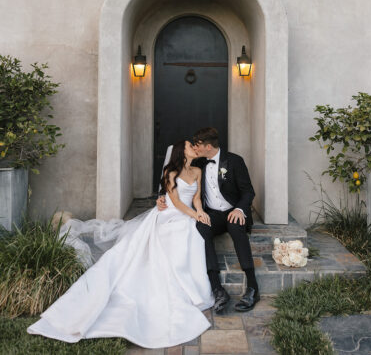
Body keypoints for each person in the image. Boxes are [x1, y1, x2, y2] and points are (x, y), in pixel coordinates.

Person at [27, 140, 214, 349]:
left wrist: (200, 212)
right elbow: (176, 202)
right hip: (170, 214)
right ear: (182, 151)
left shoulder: (197, 170)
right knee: (177, 234)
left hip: (188, 215)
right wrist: (193, 215)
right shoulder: (171, 172)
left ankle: (191, 287)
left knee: (192, 234)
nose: (194, 148)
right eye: (190, 145)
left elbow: (196, 198)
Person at [157, 127, 259, 314]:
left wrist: (239, 209)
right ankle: (217, 289)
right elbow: (175, 178)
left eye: (197, 145)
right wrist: (162, 196)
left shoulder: (235, 161)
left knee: (237, 229)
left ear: (208, 146)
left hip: (232, 211)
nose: (195, 148)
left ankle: (252, 287)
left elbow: (248, 192)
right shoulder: (200, 164)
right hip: (213, 214)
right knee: (201, 229)